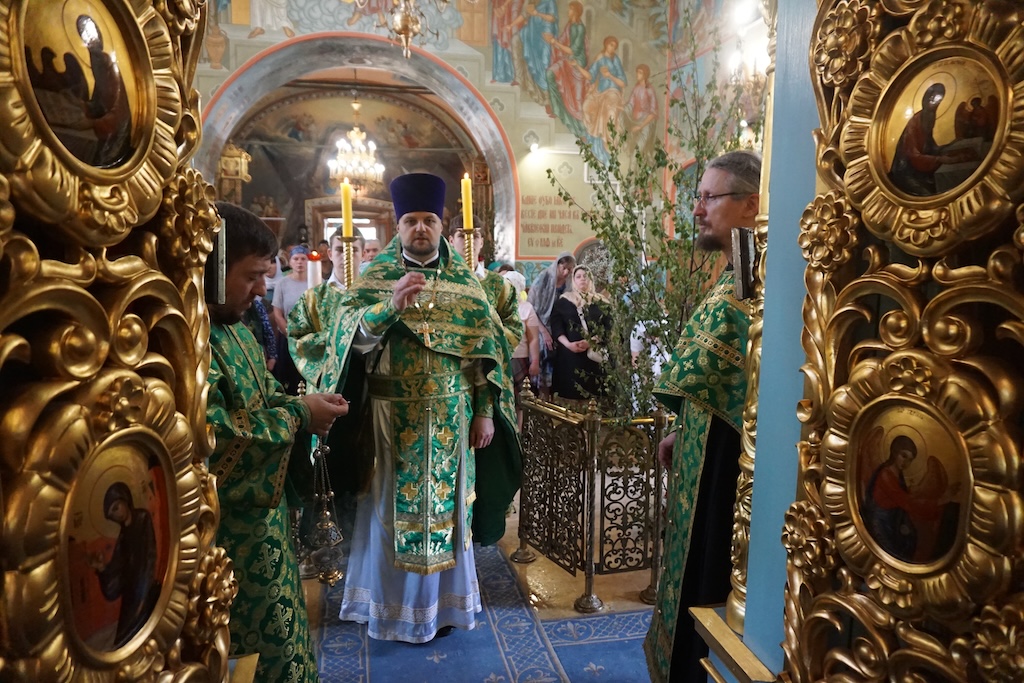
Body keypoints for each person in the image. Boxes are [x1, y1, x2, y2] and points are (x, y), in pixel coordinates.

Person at [326, 173, 521, 643]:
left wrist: (484, 411)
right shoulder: (375, 279)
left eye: (428, 220)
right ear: (397, 227)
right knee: (387, 513)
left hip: (453, 418)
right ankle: (390, 610)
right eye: (410, 220)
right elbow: (345, 343)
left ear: (441, 225)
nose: (420, 228)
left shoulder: (466, 285)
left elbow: (485, 355)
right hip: (389, 418)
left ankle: (443, 609)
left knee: (449, 514)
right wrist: (388, 308)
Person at [205, 201, 348, 682]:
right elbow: (214, 438)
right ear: (211, 270)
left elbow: (267, 396)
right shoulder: (187, 340)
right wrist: (300, 415)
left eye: (265, 276)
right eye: (251, 276)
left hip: (265, 527)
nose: (261, 290)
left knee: (285, 638)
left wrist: (304, 405)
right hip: (224, 544)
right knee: (248, 654)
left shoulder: (236, 332)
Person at [644, 150, 761, 683]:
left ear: (751, 205)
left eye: (709, 197)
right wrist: (680, 428)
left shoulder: (764, 279)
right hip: (700, 450)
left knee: (708, 566)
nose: (696, 210)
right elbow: (708, 375)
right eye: (698, 198)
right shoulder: (734, 273)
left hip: (727, 465)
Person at [288, 231, 369, 509]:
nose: (347, 256)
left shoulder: (373, 297)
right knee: (329, 462)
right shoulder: (315, 298)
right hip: (328, 387)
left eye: (354, 250)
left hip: (369, 387)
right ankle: (325, 518)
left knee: (365, 458)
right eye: (340, 250)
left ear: (362, 254)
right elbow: (297, 338)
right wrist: (339, 339)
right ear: (330, 254)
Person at [88, 482, 160, 649]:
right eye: (111, 514)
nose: (115, 515)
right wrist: (102, 568)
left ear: (125, 499)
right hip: (131, 594)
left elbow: (150, 554)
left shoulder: (142, 518)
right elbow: (117, 571)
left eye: (116, 508)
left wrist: (144, 587)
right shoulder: (122, 537)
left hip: (145, 589)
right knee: (124, 639)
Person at [448, 214, 524, 351]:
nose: (469, 241)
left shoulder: (499, 284)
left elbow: (514, 328)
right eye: (462, 236)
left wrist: (488, 346)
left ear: (482, 242)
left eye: (475, 236)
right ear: (451, 241)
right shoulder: (441, 280)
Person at [549, 264, 611, 399]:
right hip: (569, 356)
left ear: (591, 280)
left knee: (596, 394)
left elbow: (610, 327)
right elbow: (557, 327)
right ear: (573, 280)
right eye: (578, 277)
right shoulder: (563, 302)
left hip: (595, 356)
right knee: (570, 394)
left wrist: (592, 341)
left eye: (585, 276)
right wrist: (568, 344)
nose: (582, 279)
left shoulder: (602, 302)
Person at [527, 252, 576, 393]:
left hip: (560, 327)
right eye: (563, 268)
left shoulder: (569, 283)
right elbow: (532, 308)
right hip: (540, 324)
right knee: (544, 359)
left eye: (570, 269)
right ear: (557, 265)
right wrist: (544, 331)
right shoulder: (543, 279)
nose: (566, 273)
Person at [502, 269, 541, 427]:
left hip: (519, 359)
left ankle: (519, 431)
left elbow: (533, 339)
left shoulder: (526, 308)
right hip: (501, 357)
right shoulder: (496, 307)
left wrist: (535, 361)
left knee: (519, 400)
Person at [271, 244, 311, 393]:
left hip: (310, 338)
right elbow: (278, 312)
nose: (299, 262)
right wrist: (289, 333)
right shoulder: (282, 283)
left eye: (303, 259)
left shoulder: (317, 280)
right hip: (288, 337)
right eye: (296, 259)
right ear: (290, 261)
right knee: (289, 379)